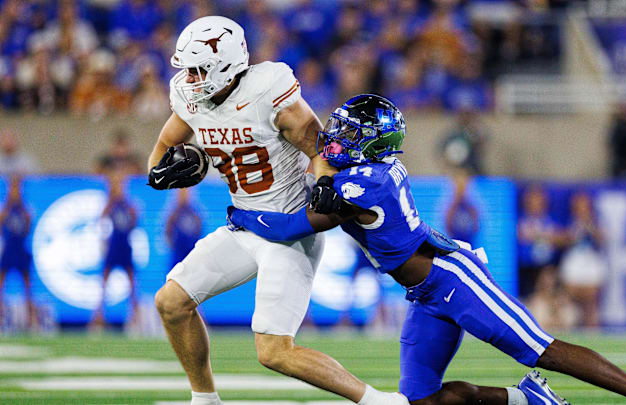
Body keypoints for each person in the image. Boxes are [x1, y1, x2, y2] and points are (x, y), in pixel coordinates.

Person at [227, 94, 626, 405]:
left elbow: (290, 226)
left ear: (372, 142)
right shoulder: (376, 170)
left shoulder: (366, 184)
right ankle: (525, 399)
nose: (336, 138)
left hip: (452, 279)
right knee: (422, 400)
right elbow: (325, 174)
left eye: (349, 133)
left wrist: (242, 213)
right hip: (424, 293)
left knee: (542, 349)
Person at [146, 16, 407, 405]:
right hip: (244, 225)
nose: (192, 79)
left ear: (226, 65)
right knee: (170, 302)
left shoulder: (267, 90)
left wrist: (323, 183)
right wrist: (159, 171)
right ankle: (204, 400)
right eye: (189, 70)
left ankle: (378, 401)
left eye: (201, 70)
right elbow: (166, 143)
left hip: (289, 229)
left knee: (273, 351)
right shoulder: (189, 97)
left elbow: (319, 147)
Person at [90, 174, 138, 330]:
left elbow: (135, 220)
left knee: (132, 285)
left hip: (125, 246)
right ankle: (98, 317)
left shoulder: (128, 204)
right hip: (113, 246)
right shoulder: (111, 204)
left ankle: (135, 317)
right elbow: (102, 218)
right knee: (104, 284)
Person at [558, 192, 606, 328]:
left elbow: (603, 238)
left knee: (591, 303)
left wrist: (590, 227)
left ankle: (593, 330)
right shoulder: (568, 221)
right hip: (574, 261)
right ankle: (570, 330)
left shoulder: (595, 221)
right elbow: (560, 239)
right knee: (569, 299)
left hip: (590, 261)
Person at [0, 176, 35, 329]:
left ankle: (31, 320)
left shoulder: (25, 209)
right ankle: (2, 318)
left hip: (21, 251)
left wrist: (19, 204)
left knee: (27, 287)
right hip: (8, 251)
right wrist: (8, 204)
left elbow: (27, 227)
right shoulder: (5, 209)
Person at [165, 188, 203, 270]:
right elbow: (168, 229)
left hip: (190, 248)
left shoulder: (194, 212)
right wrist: (171, 242)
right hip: (178, 249)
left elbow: (199, 229)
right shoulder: (174, 213)